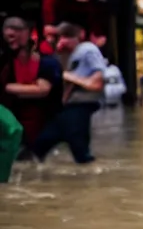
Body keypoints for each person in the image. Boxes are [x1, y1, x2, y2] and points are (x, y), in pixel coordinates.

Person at [32, 22, 104, 164]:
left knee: (78, 150)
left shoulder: (86, 49)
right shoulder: (64, 55)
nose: (59, 41)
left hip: (79, 105)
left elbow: (99, 78)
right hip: (68, 107)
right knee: (41, 144)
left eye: (64, 37)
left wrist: (70, 77)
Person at [0, 17, 62, 159]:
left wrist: (6, 88)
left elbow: (42, 90)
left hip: (42, 123)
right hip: (16, 125)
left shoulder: (47, 62)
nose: (10, 41)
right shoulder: (6, 63)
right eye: (7, 37)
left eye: (14, 36)